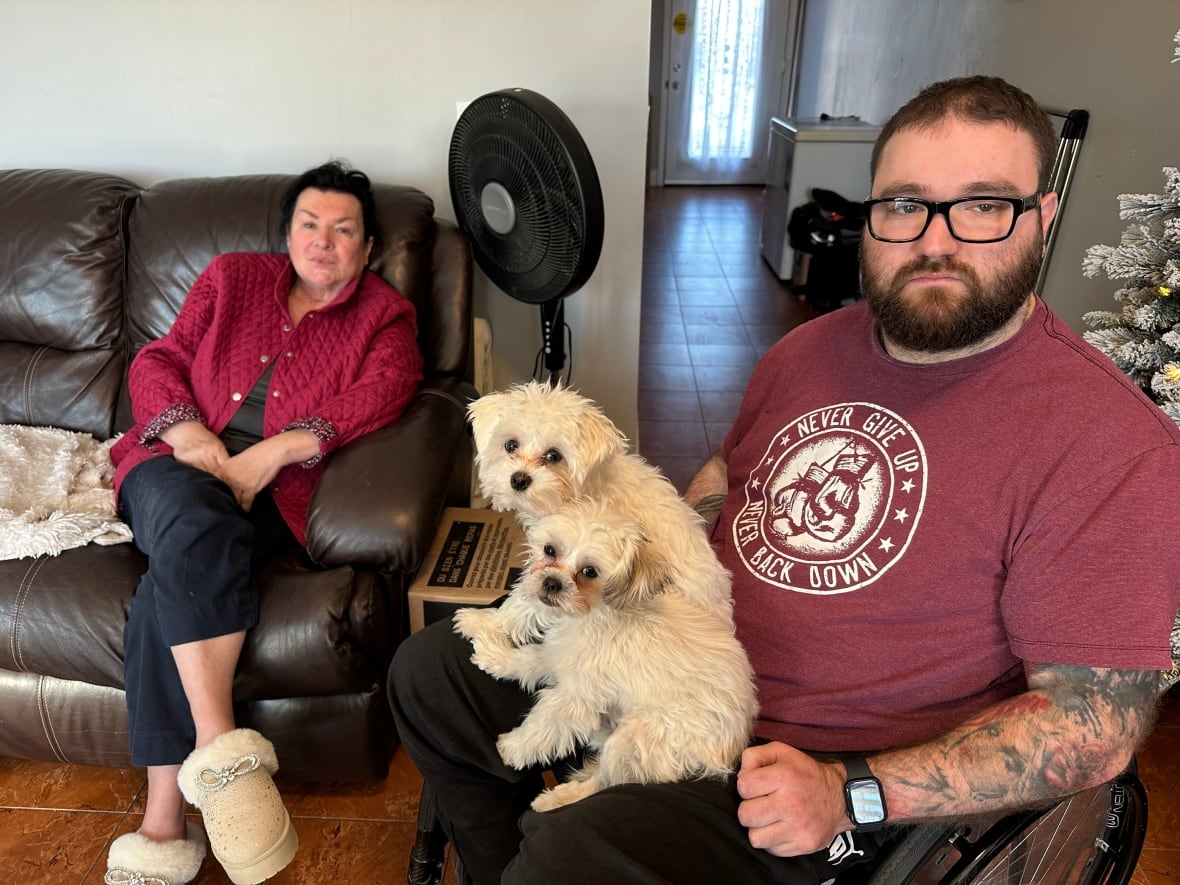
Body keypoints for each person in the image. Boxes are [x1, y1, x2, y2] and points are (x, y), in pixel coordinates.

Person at [389, 76, 1180, 885]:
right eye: (903, 205)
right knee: (430, 675)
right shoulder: (808, 350)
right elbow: (727, 473)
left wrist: (854, 792)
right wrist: (646, 557)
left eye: (984, 205)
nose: (934, 241)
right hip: (669, 662)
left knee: (571, 857)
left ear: (1042, 219)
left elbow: (1095, 720)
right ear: (864, 212)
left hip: (824, 773)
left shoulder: (1106, 441)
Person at [104, 160, 423, 885]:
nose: (323, 240)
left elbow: (386, 390)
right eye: (309, 224)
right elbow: (158, 361)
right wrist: (187, 432)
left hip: (271, 497)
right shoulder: (231, 278)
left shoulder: (384, 317)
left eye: (343, 230)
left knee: (169, 582)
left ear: (368, 248)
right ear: (287, 234)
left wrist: (271, 454)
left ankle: (163, 819)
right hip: (169, 466)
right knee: (190, 514)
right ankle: (221, 747)